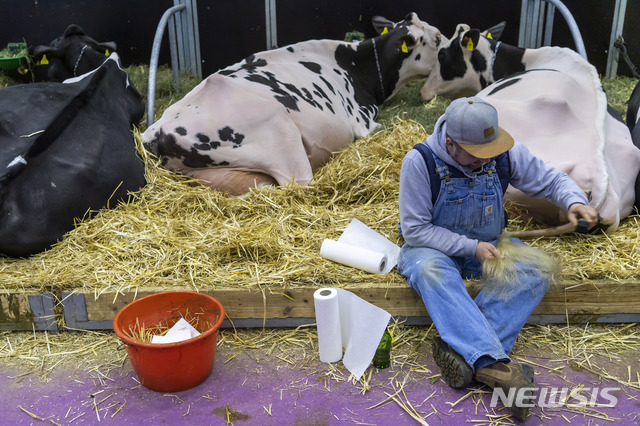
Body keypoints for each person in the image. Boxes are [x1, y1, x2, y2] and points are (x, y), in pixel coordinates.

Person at [397, 97, 598, 421]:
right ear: (451, 143)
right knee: (431, 272)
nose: (487, 160)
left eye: (490, 152)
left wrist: (573, 200)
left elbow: (549, 179)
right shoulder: (419, 162)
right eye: (478, 156)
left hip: (488, 245)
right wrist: (469, 246)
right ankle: (498, 368)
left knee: (535, 269)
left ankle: (469, 359)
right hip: (433, 247)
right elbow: (416, 231)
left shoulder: (501, 153)